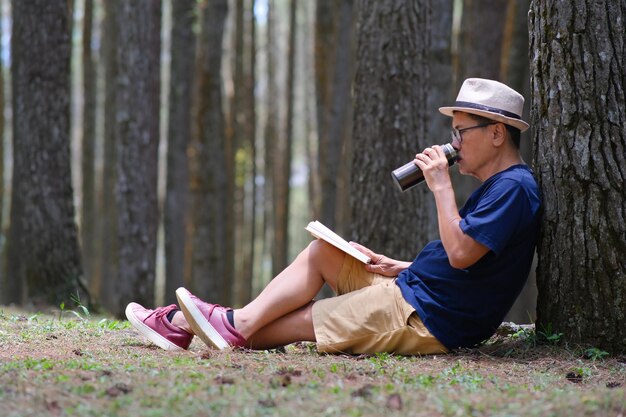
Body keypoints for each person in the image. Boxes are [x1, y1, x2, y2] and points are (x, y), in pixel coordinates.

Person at [126, 78, 541, 355]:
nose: (452, 144)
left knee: (296, 324)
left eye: (460, 132)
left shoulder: (514, 188)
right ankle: (220, 323)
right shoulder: (502, 187)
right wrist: (403, 266)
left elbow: (463, 255)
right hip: (418, 291)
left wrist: (441, 187)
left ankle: (185, 322)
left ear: (497, 133)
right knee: (324, 252)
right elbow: (477, 262)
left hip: (428, 317)